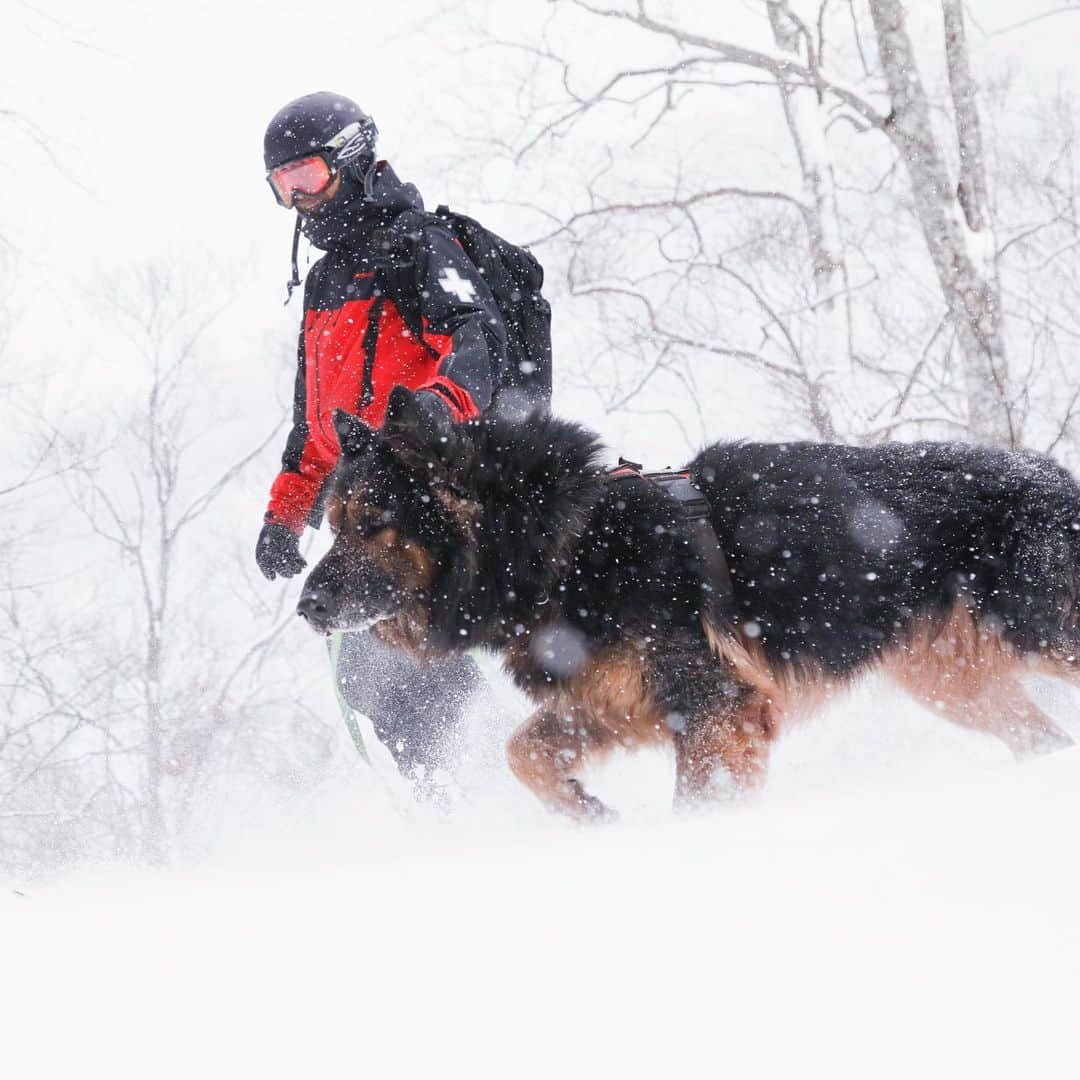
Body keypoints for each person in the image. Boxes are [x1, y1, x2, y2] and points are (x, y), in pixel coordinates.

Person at [254, 90, 518, 798]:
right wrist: (286, 511)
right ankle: (457, 800)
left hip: (425, 503)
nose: (298, 202)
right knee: (369, 677)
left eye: (306, 176)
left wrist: (438, 410)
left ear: (351, 158)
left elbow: (476, 340)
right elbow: (316, 422)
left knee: (410, 664)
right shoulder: (324, 280)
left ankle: (494, 786)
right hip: (361, 509)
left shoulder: (416, 245)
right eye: (282, 187)